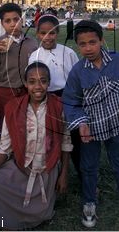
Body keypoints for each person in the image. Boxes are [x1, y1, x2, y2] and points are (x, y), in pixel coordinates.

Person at [63, 20, 119, 228]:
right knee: (89, 168)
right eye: (82, 44)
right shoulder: (77, 71)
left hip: (115, 127)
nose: (88, 48)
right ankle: (89, 204)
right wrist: (82, 124)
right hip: (91, 130)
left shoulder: (116, 60)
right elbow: (71, 101)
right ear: (77, 45)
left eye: (92, 42)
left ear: (102, 40)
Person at [0, 62, 72, 230]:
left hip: (47, 168)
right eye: (32, 82)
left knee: (41, 213)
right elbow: (4, 148)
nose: (38, 86)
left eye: (43, 81)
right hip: (21, 165)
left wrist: (64, 174)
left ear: (49, 83)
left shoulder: (59, 107)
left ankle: (35, 209)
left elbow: (66, 143)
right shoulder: (13, 108)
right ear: (25, 83)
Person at [28, 14, 81, 177]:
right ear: (37, 34)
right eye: (43, 33)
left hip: (68, 98)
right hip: (47, 99)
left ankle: (83, 174)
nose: (47, 37)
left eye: (51, 33)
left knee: (74, 137)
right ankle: (53, 175)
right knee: (52, 137)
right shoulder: (34, 56)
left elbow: (77, 78)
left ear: (58, 32)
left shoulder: (69, 53)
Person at [0, 2, 38, 127]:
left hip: (26, 92)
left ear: (22, 20)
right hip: (5, 92)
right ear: (2, 24)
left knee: (25, 125)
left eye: (16, 19)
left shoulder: (32, 43)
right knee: (5, 126)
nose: (13, 24)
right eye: (7, 21)